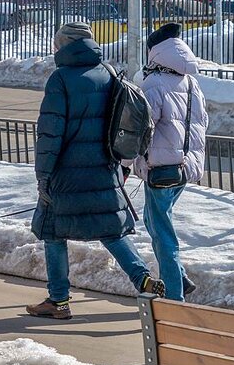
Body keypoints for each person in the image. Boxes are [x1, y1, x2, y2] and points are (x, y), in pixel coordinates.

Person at [27, 22, 165, 320]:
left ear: (64, 45)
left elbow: (50, 135)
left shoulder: (60, 80)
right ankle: (142, 278)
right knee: (110, 231)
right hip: (105, 169)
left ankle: (59, 301)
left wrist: (43, 177)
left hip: (66, 174)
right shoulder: (109, 73)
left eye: (56, 43)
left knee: (53, 232)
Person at [133, 23, 209, 301]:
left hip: (161, 169)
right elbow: (202, 123)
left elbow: (142, 126)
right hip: (183, 167)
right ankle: (180, 277)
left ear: (155, 51)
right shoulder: (190, 82)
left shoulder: (154, 83)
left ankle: (174, 295)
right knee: (155, 222)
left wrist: (126, 161)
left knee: (162, 233)